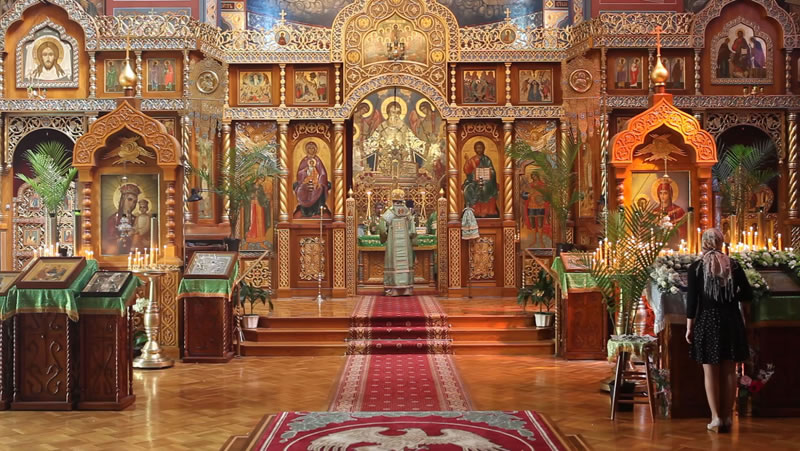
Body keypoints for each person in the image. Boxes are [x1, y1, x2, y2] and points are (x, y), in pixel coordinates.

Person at [686, 228, 752, 433]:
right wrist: (733, 301)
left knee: (710, 373)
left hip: (707, 321)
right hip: (731, 320)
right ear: (721, 242)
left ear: (704, 243)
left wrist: (689, 327)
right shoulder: (733, 265)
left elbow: (692, 301)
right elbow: (747, 293)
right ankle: (727, 417)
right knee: (730, 371)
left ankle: (715, 418)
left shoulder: (697, 267)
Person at [377, 187, 416, 296]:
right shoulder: (407, 212)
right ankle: (407, 289)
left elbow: (382, 228)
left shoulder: (390, 213)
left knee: (393, 262)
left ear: (393, 200)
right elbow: (413, 230)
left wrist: (385, 237)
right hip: (405, 244)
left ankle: (392, 290)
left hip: (393, 243)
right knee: (405, 263)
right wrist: (411, 239)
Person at [293, 141, 330, 218]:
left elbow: (322, 173)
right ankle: (305, 210)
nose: (311, 150)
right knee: (302, 189)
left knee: (319, 188)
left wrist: (320, 182)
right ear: (306, 150)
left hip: (316, 181)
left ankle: (317, 210)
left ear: (315, 149)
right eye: (309, 148)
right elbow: (299, 173)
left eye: (312, 148)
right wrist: (304, 171)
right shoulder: (304, 160)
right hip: (306, 181)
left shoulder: (318, 161)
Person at [462, 141, 499, 218]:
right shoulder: (472, 160)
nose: (479, 149)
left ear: (483, 149)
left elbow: (492, 171)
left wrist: (488, 172)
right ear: (475, 149)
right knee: (468, 189)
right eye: (477, 148)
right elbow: (467, 171)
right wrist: (468, 163)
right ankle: (474, 211)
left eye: (480, 148)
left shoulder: (487, 159)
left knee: (485, 188)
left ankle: (486, 211)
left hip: (487, 181)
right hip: (473, 181)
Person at [103, 183, 140, 255]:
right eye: (129, 199)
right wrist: (123, 238)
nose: (132, 204)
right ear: (123, 200)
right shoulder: (113, 219)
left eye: (135, 202)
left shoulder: (136, 219)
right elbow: (109, 240)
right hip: (116, 255)